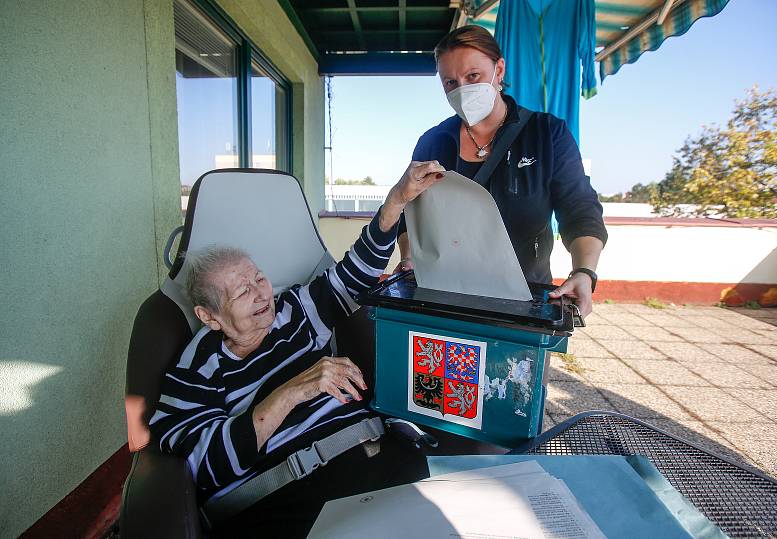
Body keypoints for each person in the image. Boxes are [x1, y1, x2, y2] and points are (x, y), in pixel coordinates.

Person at [149, 161, 445, 537]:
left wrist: (395, 201)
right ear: (209, 317)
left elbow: (353, 276)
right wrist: (291, 391)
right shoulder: (195, 370)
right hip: (295, 496)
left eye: (259, 278)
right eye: (242, 291)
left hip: (384, 456)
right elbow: (199, 468)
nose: (261, 294)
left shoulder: (292, 311)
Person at [396, 25, 608, 317]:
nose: (462, 90)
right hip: (443, 302)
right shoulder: (433, 143)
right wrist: (409, 257)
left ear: (499, 70)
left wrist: (584, 271)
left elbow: (580, 209)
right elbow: (411, 216)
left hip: (524, 303)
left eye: (473, 77)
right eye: (450, 83)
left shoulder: (547, 134)